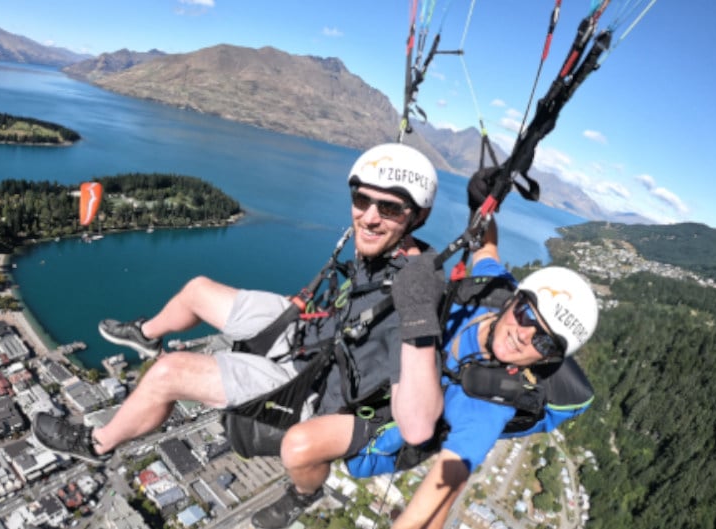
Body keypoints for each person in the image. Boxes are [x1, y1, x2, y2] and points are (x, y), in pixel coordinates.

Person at [31, 143, 446, 516]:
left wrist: (417, 314)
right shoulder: (392, 248)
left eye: (389, 208)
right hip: (313, 338)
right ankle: (146, 333)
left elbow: (418, 427)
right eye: (362, 200)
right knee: (197, 291)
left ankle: (95, 445)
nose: (370, 217)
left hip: (312, 387)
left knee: (167, 374)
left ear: (418, 216)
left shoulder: (416, 296)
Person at [276, 172, 600, 529]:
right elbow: (486, 247)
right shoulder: (493, 291)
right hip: (393, 367)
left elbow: (440, 488)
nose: (524, 335)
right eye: (526, 314)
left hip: (390, 419)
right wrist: (482, 203)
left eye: (544, 342)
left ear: (550, 358)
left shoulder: (488, 407)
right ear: (514, 299)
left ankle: (302, 495)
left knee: (300, 445)